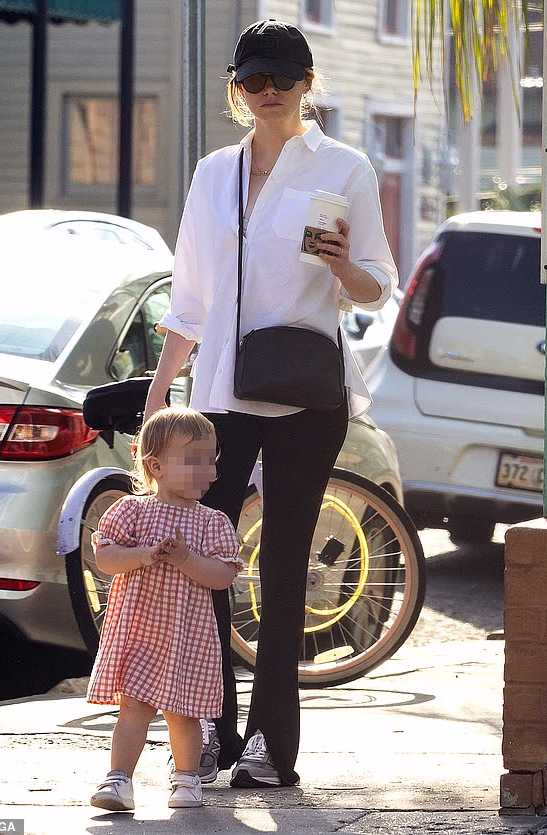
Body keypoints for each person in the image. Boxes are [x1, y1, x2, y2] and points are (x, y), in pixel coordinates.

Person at [145, 18, 398, 788]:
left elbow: (377, 285)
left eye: (282, 79)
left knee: (286, 570)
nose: (268, 92)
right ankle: (209, 729)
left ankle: (268, 744)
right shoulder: (212, 174)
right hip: (220, 396)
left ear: (307, 84)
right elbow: (190, 296)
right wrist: (160, 392)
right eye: (253, 79)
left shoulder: (344, 168)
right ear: (236, 87)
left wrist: (341, 265)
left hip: (304, 398)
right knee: (205, 565)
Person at [87, 407, 242, 811]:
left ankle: (187, 778)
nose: (207, 471)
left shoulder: (212, 522)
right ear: (155, 466)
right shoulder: (131, 511)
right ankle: (119, 779)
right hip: (139, 630)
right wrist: (142, 555)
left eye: (210, 460)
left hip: (187, 636)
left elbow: (222, 576)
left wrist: (186, 558)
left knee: (183, 712)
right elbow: (106, 558)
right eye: (194, 461)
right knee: (133, 706)